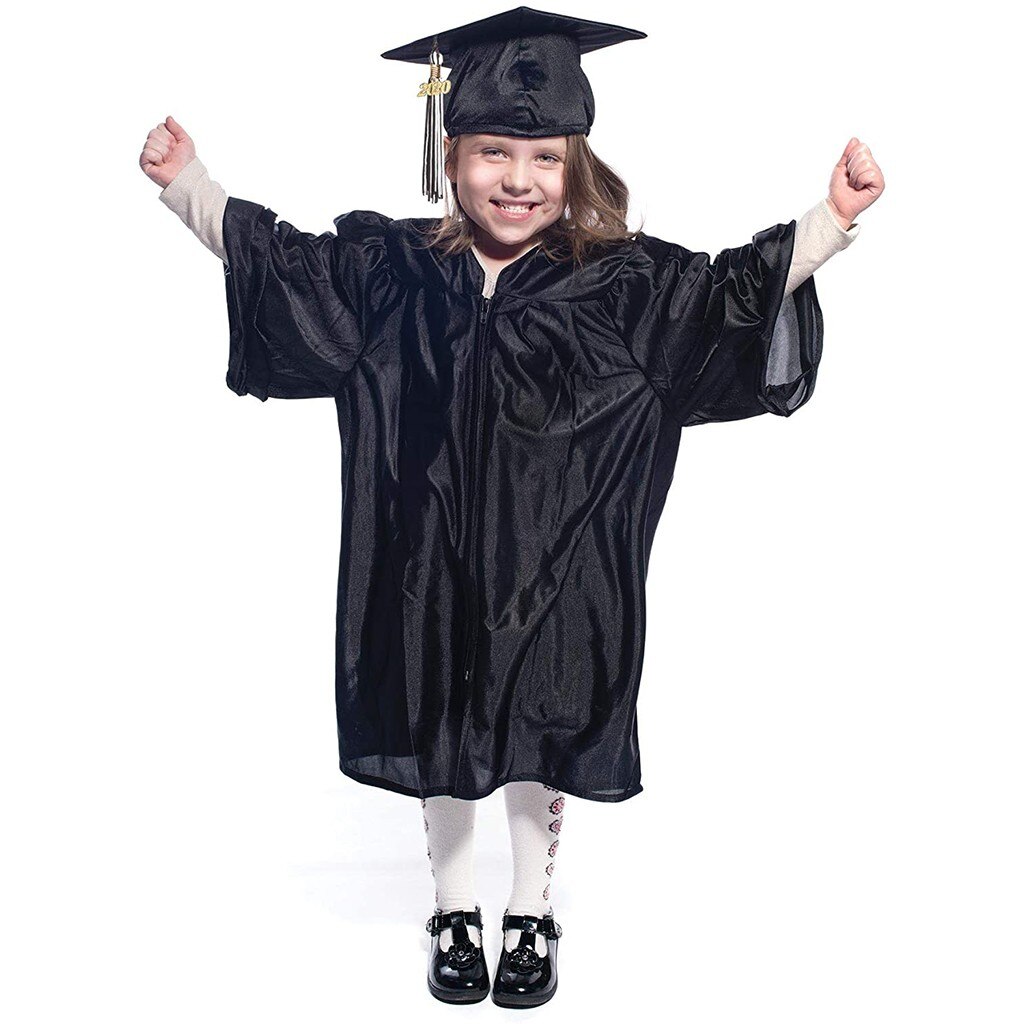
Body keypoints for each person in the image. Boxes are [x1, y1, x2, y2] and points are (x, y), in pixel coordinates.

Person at [138, 6, 884, 1009]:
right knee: (441, 725)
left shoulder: (618, 284)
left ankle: (530, 906)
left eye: (543, 155)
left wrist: (827, 221)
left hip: (560, 571)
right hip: (427, 563)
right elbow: (286, 265)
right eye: (493, 150)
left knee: (543, 732)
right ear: (450, 154)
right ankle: (452, 906)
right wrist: (189, 185)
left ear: (575, 163)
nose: (518, 179)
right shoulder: (394, 273)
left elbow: (726, 297)